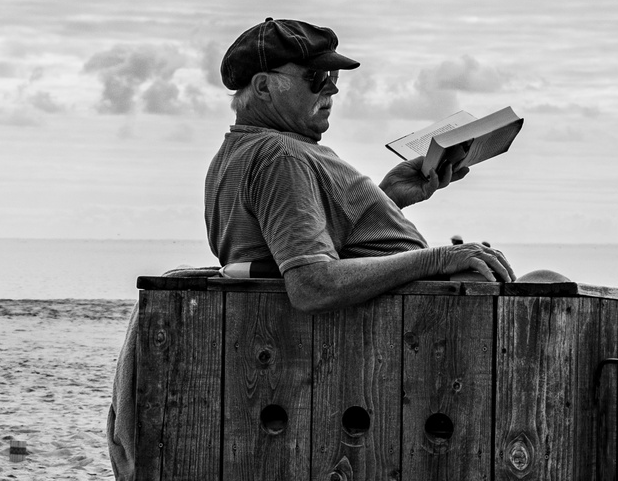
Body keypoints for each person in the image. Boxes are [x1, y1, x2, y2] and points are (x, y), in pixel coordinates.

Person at [205, 17, 513, 310]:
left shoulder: (239, 153)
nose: (332, 88)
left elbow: (310, 247)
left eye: (334, 77)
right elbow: (312, 285)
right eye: (316, 76)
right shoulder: (282, 156)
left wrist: (388, 197)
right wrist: (441, 259)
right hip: (404, 322)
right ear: (262, 87)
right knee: (547, 280)